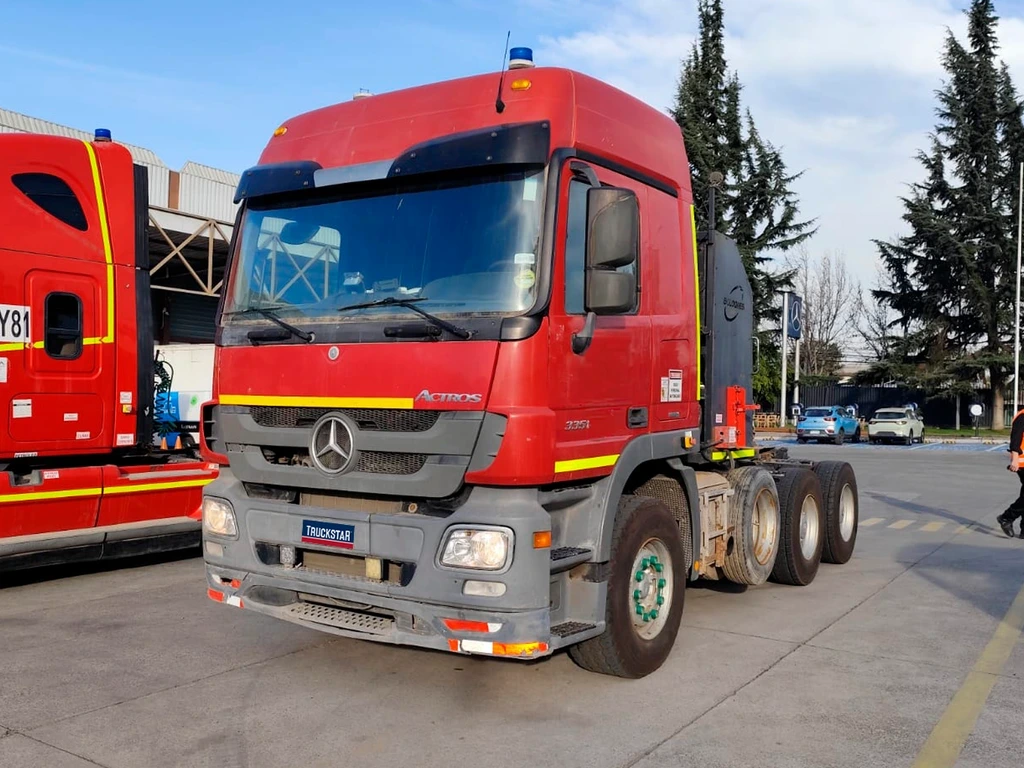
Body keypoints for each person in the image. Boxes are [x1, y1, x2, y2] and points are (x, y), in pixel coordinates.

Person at [997, 407, 1024, 538]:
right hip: (1022, 462)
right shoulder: (1022, 416)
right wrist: (1015, 460)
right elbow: (1016, 439)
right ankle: (1007, 517)